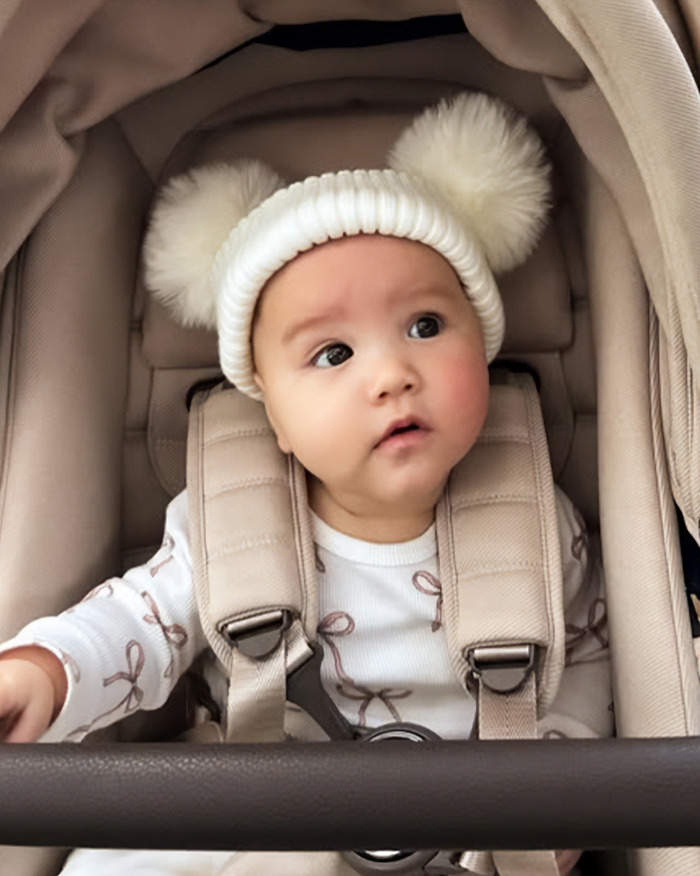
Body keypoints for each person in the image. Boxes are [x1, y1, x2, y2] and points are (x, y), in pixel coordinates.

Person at [0, 93, 611, 876]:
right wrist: (48, 672)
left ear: (483, 346)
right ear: (274, 417)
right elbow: (137, 628)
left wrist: (559, 769)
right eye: (333, 354)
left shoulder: (536, 523)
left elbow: (589, 655)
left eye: (425, 326)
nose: (392, 374)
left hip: (469, 827)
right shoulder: (232, 527)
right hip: (259, 801)